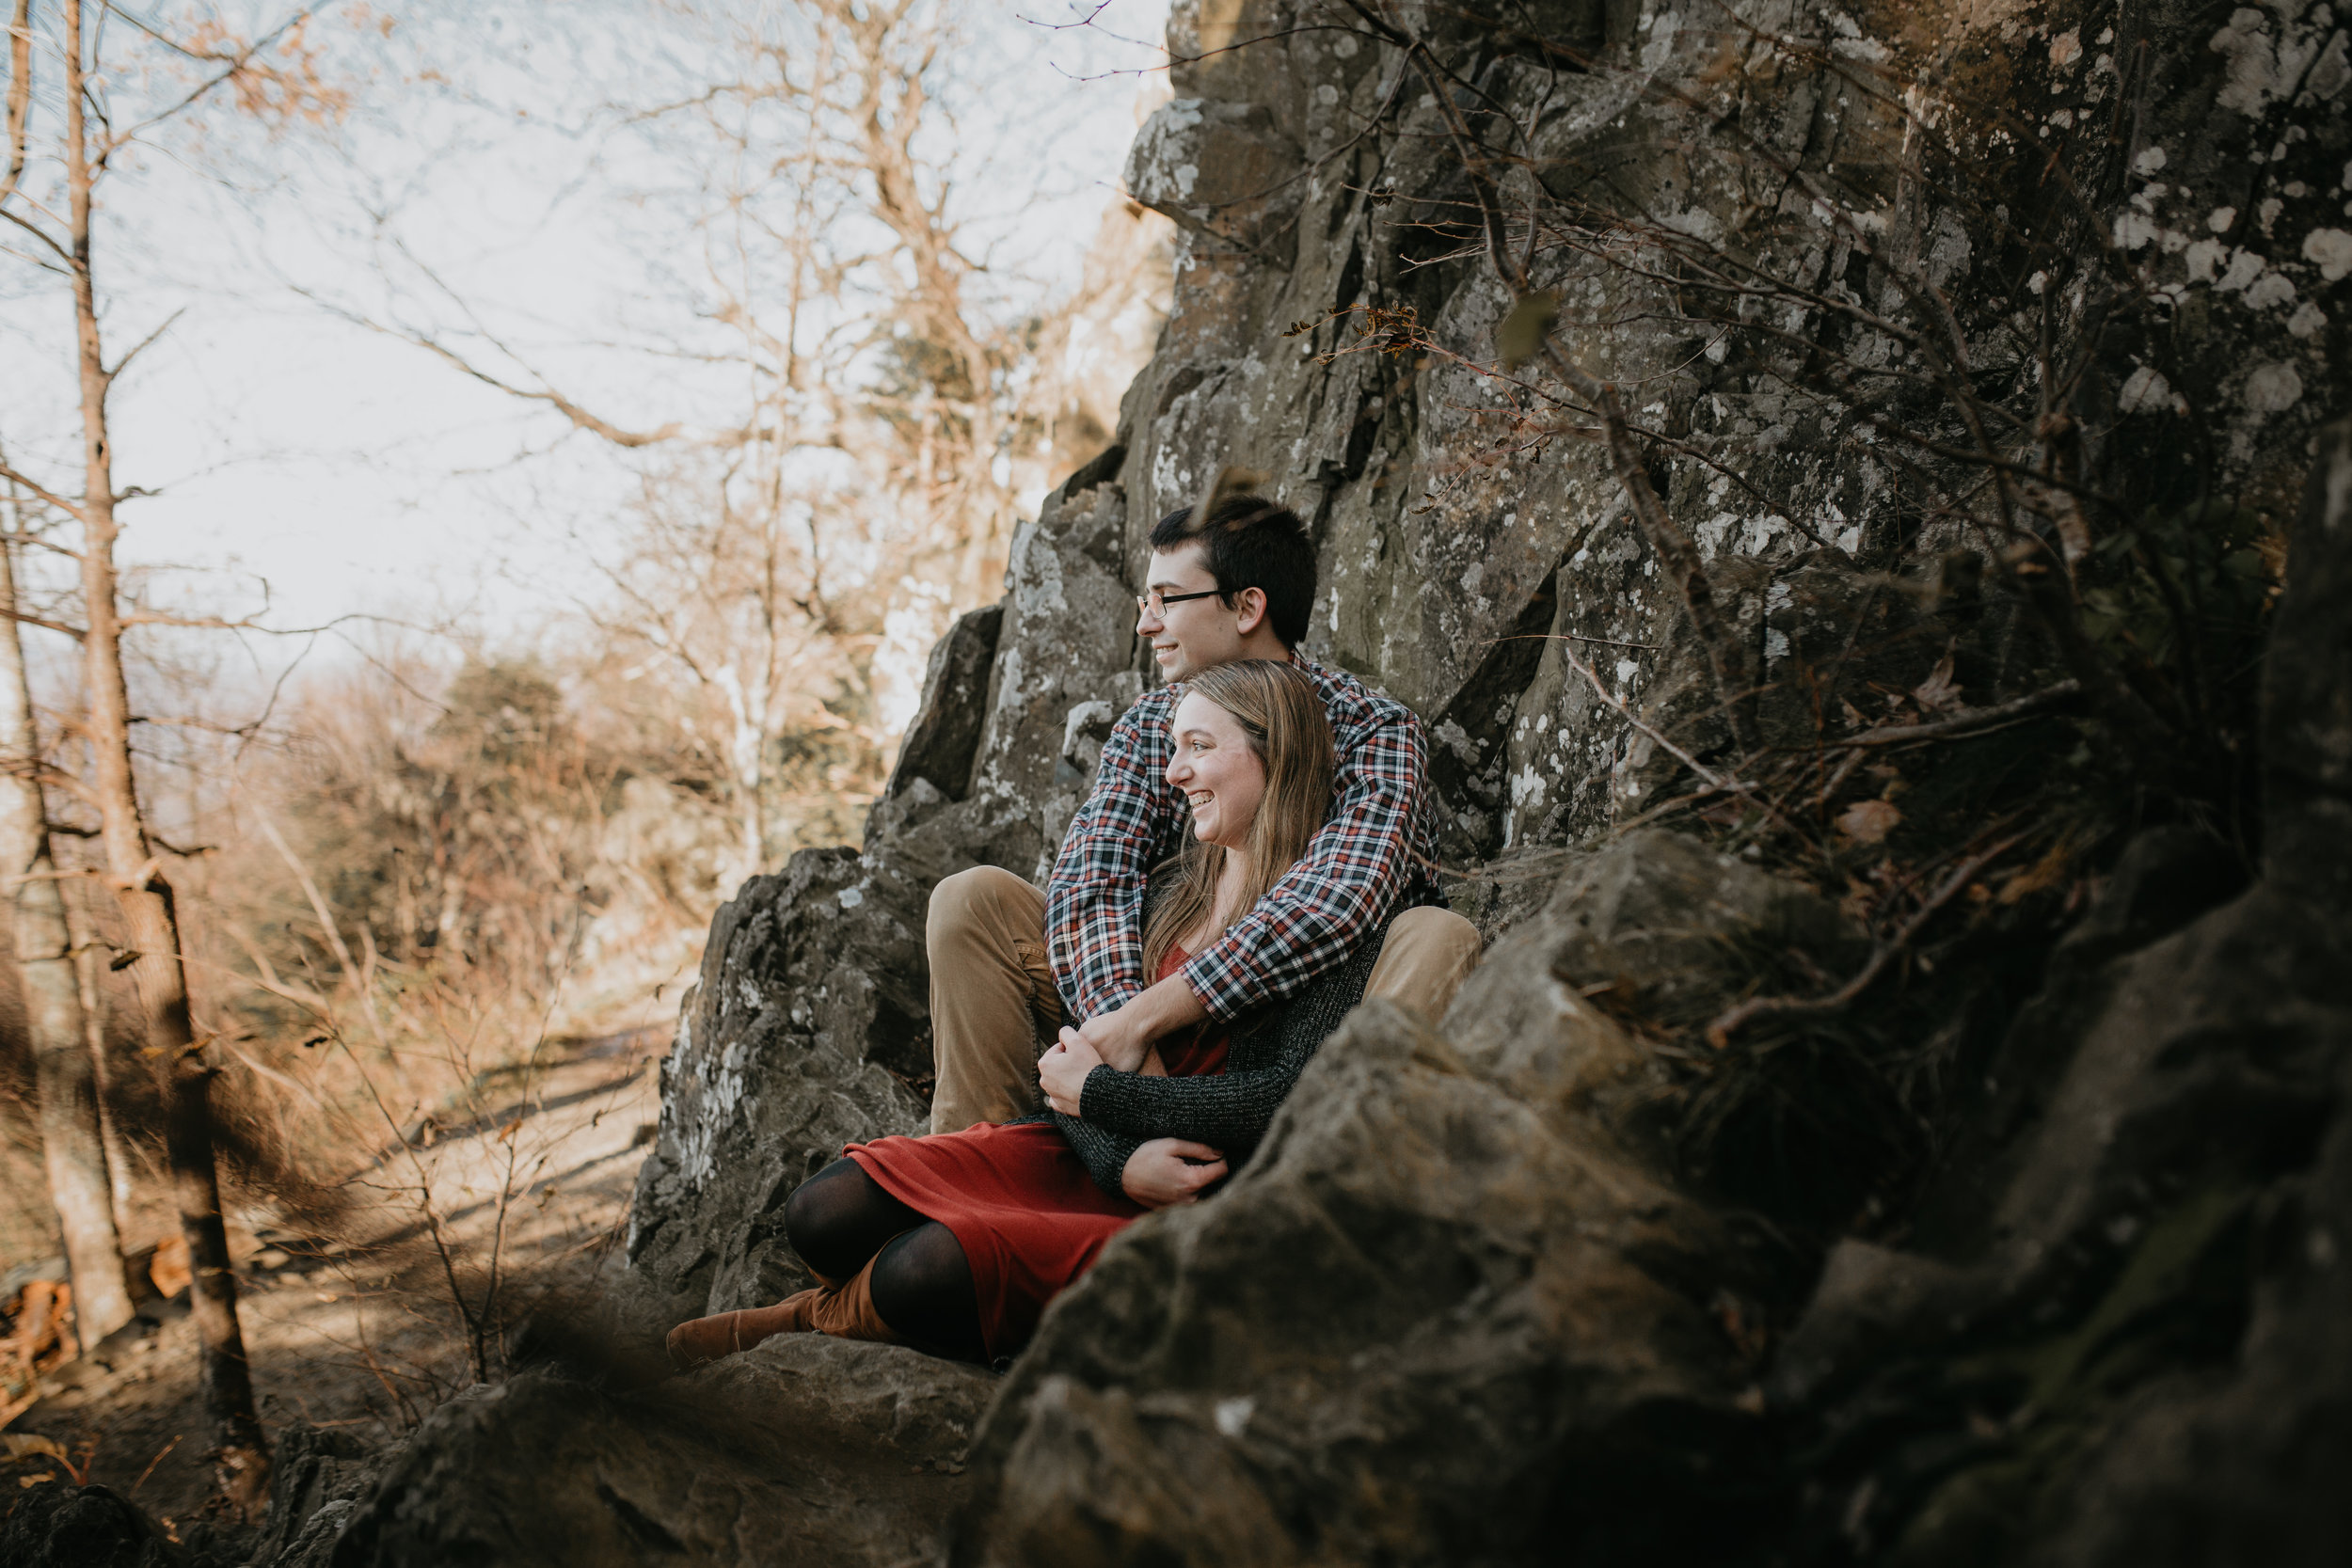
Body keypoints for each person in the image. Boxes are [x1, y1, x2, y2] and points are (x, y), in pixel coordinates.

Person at [666, 660, 1386, 1365]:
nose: (1174, 772)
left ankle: (809, 1320)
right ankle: (874, 1304)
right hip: (1099, 1157)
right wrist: (1117, 1155)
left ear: (1274, 752)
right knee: (821, 1211)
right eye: (1174, 748)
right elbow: (1069, 1067)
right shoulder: (1170, 890)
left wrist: (1107, 1096)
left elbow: (1282, 1101)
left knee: (921, 1268)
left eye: (1199, 747)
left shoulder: (1329, 925)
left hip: (1194, 1200)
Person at [925, 487, 1483, 1135]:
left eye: (1168, 599)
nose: (1146, 623)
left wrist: (1140, 1025)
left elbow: (1336, 900)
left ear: (1247, 606)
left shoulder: (1372, 731)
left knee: (1437, 933)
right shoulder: (1149, 725)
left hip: (1300, 1043)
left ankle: (1326, 1188)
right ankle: (977, 1164)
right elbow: (1091, 883)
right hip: (1161, 1025)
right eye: (1144, 600)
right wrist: (1130, 1064)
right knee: (974, 900)